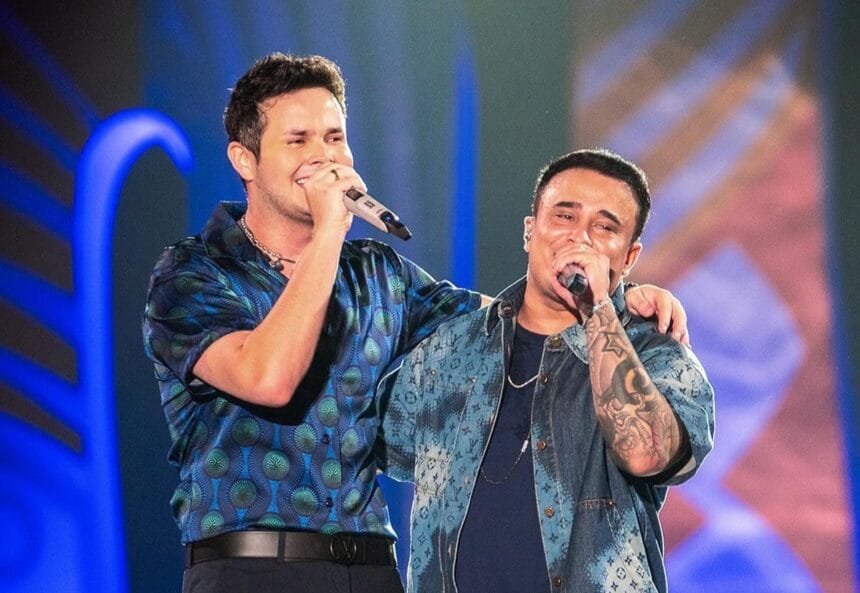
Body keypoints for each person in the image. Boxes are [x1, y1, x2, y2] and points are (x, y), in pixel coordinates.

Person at [142, 53, 692, 593]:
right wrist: (330, 230)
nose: (324, 158)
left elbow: (512, 320)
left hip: (370, 567)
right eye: (299, 140)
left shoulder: (379, 275)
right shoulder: (193, 273)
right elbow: (268, 378)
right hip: (251, 567)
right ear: (244, 160)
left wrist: (615, 296)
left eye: (334, 138)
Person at [377, 149, 715, 593]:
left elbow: (646, 453)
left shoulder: (655, 351)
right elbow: (359, 439)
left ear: (629, 256)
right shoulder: (451, 349)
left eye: (605, 227)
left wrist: (598, 308)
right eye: (564, 216)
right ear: (529, 230)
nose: (580, 239)